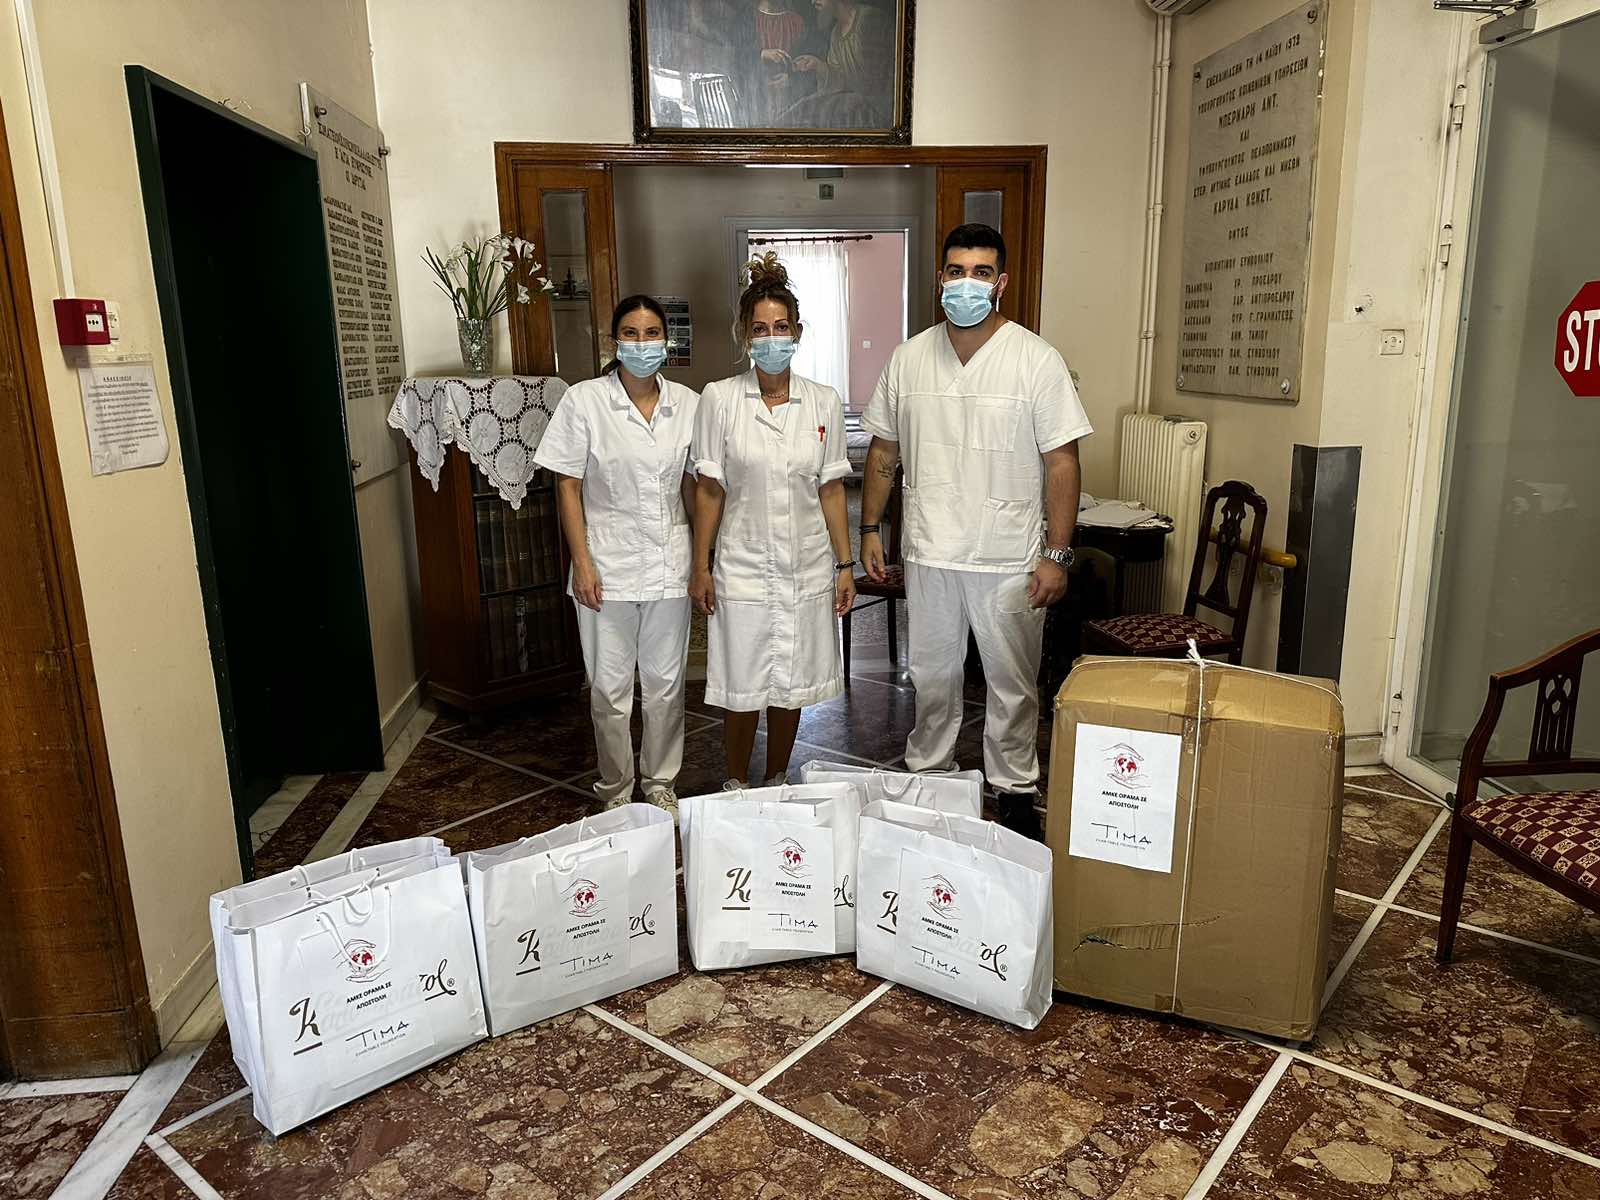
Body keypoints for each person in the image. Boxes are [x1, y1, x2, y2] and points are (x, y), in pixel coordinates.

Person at [860, 223, 1092, 839]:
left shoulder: (1035, 360)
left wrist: (1057, 554)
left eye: (981, 272)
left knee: (1012, 683)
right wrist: (870, 526)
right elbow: (884, 449)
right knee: (932, 676)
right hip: (931, 549)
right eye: (957, 271)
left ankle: (1013, 786)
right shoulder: (909, 359)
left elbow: (1062, 461)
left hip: (1007, 556)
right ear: (940, 278)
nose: (967, 283)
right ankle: (931, 775)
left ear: (1001, 282)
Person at [691, 253, 855, 787]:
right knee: (742, 681)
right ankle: (736, 782)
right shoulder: (720, 399)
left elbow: (831, 489)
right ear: (744, 335)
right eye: (759, 329)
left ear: (797, 332)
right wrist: (701, 566)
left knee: (793, 678)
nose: (771, 338)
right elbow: (710, 490)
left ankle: (778, 777)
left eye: (780, 327)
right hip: (742, 563)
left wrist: (845, 566)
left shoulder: (823, 402)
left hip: (806, 562)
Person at [533, 295, 700, 818]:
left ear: (666, 341)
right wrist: (582, 563)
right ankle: (616, 788)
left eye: (652, 334)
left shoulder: (689, 404)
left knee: (666, 687)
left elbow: (693, 487)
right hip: (605, 565)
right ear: (614, 341)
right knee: (609, 689)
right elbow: (567, 485)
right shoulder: (584, 401)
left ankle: (660, 782)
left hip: (670, 563)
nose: (642, 344)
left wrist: (702, 560)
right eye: (631, 333)